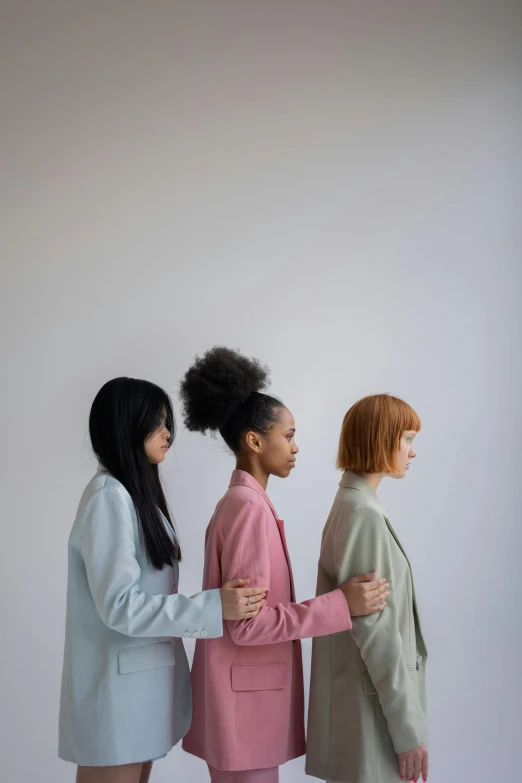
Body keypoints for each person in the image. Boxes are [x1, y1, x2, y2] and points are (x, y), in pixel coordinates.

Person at [180, 348, 390, 783]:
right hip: (245, 708)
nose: (296, 447)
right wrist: (340, 605)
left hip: (244, 704)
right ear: (255, 441)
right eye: (288, 435)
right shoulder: (246, 508)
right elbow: (247, 625)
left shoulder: (244, 503)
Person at [59, 377, 268, 783]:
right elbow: (120, 605)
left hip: (141, 691)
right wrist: (212, 606)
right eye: (156, 423)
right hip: (118, 697)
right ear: (125, 426)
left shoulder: (136, 497)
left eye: (167, 421)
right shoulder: (109, 495)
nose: (168, 432)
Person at [306, 394, 428, 783]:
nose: (413, 451)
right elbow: (376, 633)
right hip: (371, 715)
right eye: (407, 438)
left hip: (365, 707)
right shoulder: (362, 512)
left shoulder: (356, 503)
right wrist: (408, 731)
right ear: (380, 438)